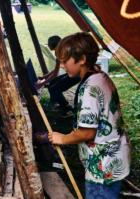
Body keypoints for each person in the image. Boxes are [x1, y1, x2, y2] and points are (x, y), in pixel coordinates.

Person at [48, 32, 130, 199]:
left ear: (82, 59)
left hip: (102, 167)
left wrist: (62, 138)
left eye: (65, 61)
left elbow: (87, 133)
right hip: (113, 158)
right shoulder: (100, 77)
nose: (62, 65)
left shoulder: (90, 89)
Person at [36, 35, 80, 118]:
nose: (47, 45)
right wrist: (44, 77)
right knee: (51, 83)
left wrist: (42, 83)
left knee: (55, 88)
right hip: (72, 73)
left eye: (48, 44)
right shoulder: (61, 50)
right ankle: (58, 103)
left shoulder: (60, 52)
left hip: (77, 75)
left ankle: (66, 110)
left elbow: (55, 73)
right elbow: (56, 69)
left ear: (53, 45)